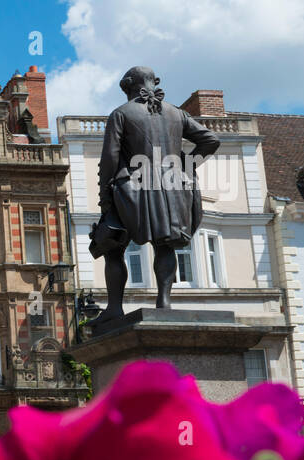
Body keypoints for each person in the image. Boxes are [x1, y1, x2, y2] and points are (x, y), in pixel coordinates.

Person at [89, 66, 220, 324]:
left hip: (133, 188)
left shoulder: (121, 113)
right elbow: (211, 140)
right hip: (174, 186)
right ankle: (164, 300)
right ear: (154, 82)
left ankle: (115, 307)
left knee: (113, 246)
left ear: (128, 86)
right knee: (165, 244)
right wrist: (185, 165)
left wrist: (105, 194)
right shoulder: (176, 113)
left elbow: (110, 158)